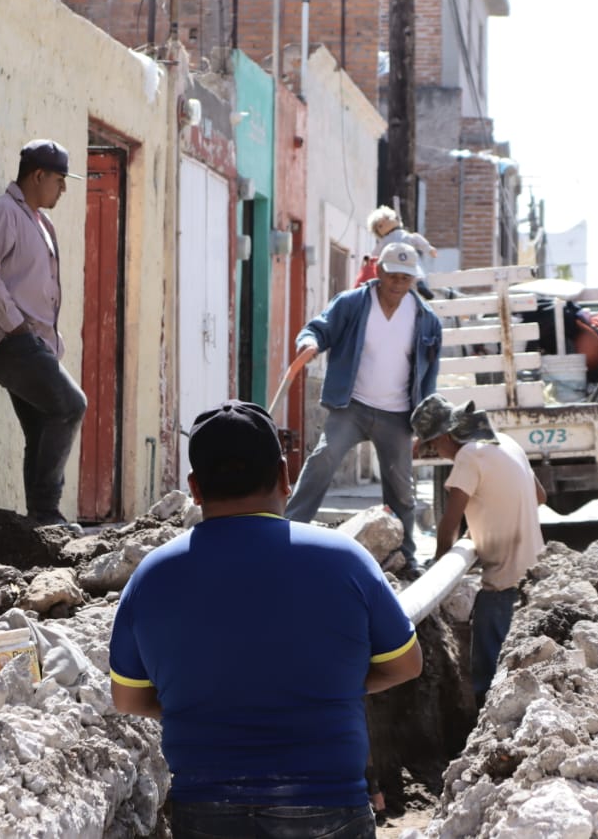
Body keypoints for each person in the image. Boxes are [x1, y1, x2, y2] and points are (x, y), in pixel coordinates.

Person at [109, 400, 422, 839]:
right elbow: (406, 664)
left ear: (195, 488)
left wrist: (212, 699)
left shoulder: (151, 576)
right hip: (329, 806)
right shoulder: (346, 560)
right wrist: (326, 685)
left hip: (207, 810)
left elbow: (128, 700)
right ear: (284, 476)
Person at [285, 243, 443, 562]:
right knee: (324, 458)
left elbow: (429, 377)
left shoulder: (426, 320)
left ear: (414, 279)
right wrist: (309, 343)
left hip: (398, 414)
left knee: (401, 488)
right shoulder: (353, 303)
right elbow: (318, 328)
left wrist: (424, 426)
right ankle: (287, 531)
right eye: (393, 274)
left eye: (406, 277)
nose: (398, 282)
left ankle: (405, 556)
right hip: (352, 406)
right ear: (379, 271)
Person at [0, 140, 87, 527]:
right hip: (8, 341)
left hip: (33, 343)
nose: (63, 189)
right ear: (38, 176)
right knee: (71, 405)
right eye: (60, 180)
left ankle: (40, 520)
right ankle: (47, 511)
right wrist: (15, 323)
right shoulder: (2, 213)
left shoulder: (41, 222)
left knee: (43, 424)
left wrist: (50, 339)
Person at [410, 394, 546, 701]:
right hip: (537, 575)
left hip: (503, 584)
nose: (438, 453)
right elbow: (540, 496)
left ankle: (487, 729)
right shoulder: (505, 443)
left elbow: (449, 524)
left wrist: (438, 576)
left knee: (488, 678)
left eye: (433, 445)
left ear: (444, 436)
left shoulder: (469, 456)